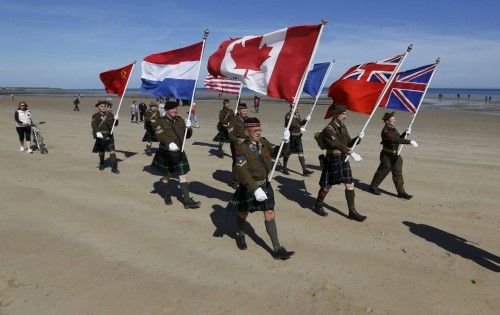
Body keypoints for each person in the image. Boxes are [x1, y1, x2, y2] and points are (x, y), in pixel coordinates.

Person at [229, 117, 294, 260]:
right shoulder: (241, 148)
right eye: (255, 130)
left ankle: (277, 249)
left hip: (265, 185)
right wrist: (254, 188)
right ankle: (239, 233)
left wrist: (286, 142)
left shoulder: (263, 142)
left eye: (260, 130)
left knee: (269, 213)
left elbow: (280, 153)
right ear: (247, 132)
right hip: (249, 187)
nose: (259, 133)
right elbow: (242, 171)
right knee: (243, 213)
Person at [312, 103, 366, 221]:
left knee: (350, 183)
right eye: (343, 114)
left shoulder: (342, 126)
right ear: (336, 114)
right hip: (333, 159)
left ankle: (352, 211)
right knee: (328, 185)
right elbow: (336, 144)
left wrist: (358, 138)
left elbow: (348, 142)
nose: (345, 116)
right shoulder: (328, 129)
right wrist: (350, 153)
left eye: (345, 113)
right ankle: (318, 205)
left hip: (343, 158)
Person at [151, 101, 201, 209]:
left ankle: (187, 200)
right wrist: (169, 143)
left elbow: (187, 136)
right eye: (173, 109)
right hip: (166, 153)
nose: (175, 110)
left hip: (179, 152)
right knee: (166, 176)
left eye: (176, 108)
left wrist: (189, 128)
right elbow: (160, 135)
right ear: (167, 110)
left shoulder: (180, 120)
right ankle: (167, 195)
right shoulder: (159, 122)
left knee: (182, 175)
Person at [369, 112, 419, 199]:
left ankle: (401, 192)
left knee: (398, 173)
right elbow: (395, 140)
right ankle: (373, 187)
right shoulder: (386, 131)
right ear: (387, 121)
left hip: (396, 155)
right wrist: (409, 141)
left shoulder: (393, 129)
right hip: (387, 155)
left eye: (394, 119)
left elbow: (399, 138)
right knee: (383, 171)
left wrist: (405, 133)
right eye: (392, 120)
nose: (394, 121)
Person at [282, 104, 313, 176]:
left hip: (298, 137)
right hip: (291, 137)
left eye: (297, 106)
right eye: (296, 106)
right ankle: (284, 168)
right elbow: (291, 125)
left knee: (300, 153)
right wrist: (300, 128)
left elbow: (299, 123)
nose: (297, 107)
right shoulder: (289, 115)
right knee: (288, 153)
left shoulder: (297, 114)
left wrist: (305, 120)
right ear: (292, 107)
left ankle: (304, 170)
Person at [91, 100, 120, 174]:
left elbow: (115, 125)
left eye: (105, 106)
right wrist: (97, 133)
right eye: (102, 106)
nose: (104, 107)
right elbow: (94, 126)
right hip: (100, 135)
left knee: (112, 152)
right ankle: (102, 163)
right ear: (98, 107)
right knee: (101, 151)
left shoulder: (110, 114)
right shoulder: (95, 116)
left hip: (109, 135)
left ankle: (114, 168)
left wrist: (116, 119)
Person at [227, 103, 249, 189]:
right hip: (236, 145)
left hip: (246, 144)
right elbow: (230, 134)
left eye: (246, 110)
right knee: (237, 162)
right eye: (243, 110)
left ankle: (243, 178)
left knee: (246, 162)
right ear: (239, 111)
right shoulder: (234, 120)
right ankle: (234, 181)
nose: (245, 112)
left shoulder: (248, 119)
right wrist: (238, 141)